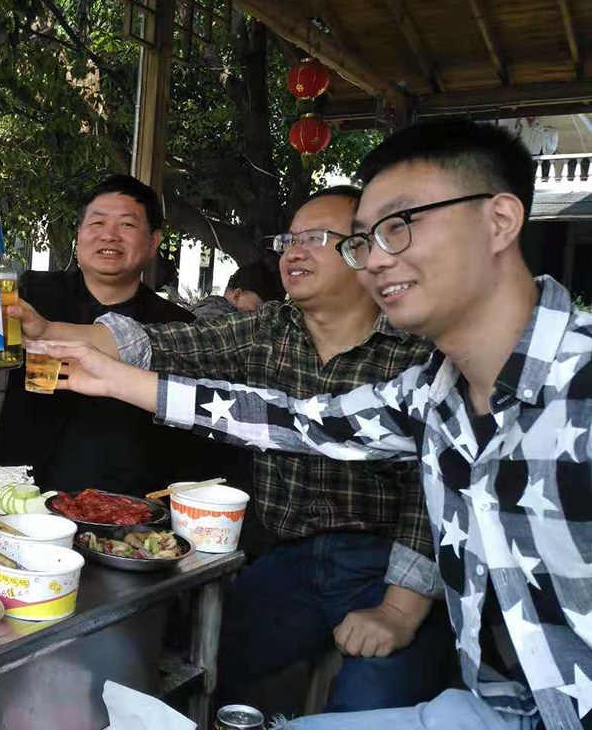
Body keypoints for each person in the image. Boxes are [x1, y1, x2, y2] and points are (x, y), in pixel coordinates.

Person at [40, 120, 591, 730]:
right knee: (170, 671)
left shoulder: (573, 388)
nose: (376, 258)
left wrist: (400, 608)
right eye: (364, 240)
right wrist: (113, 376)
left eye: (399, 226)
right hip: (500, 703)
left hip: (397, 584)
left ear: (499, 221)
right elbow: (297, 422)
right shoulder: (433, 392)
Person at [16, 186, 451, 713]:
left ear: (364, 250)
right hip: (286, 560)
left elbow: (439, 487)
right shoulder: (269, 328)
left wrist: (400, 611)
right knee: (170, 672)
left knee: (375, 709)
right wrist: (48, 330)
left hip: (387, 568)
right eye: (288, 240)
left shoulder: (418, 350)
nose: (293, 251)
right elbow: (164, 344)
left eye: (315, 238)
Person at [0, 174, 222, 494]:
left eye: (127, 224)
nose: (109, 235)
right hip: (24, 490)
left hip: (128, 500)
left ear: (153, 242)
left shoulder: (177, 328)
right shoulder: (33, 292)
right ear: (79, 234)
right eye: (97, 223)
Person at [189, 258, 282, 321]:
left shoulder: (207, 308)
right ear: (237, 296)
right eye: (254, 311)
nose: (258, 318)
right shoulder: (221, 321)